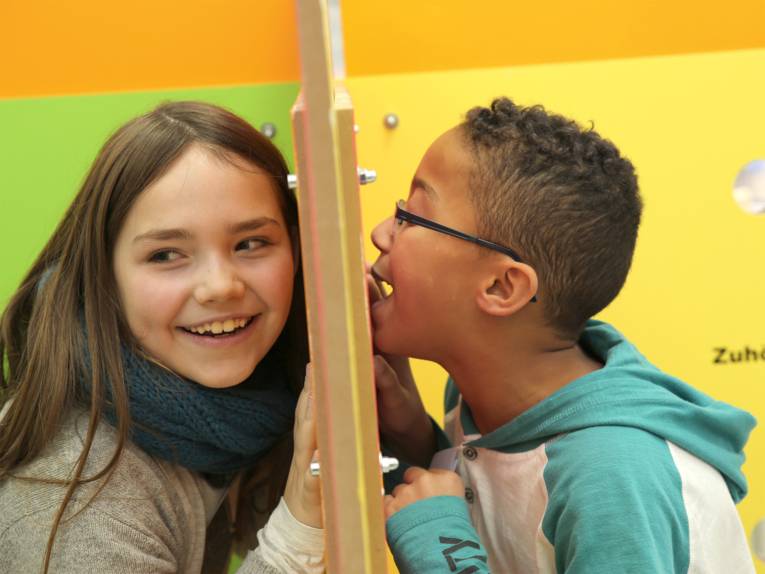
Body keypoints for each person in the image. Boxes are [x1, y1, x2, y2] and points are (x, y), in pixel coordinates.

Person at [369, 97, 757, 573]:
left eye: (412, 218)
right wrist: (414, 439)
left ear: (500, 286)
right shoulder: (487, 396)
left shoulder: (610, 476)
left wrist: (440, 549)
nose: (381, 231)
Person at [0, 101, 325, 573]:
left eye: (251, 243)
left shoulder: (241, 406)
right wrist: (299, 528)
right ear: (104, 278)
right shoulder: (83, 499)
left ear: (296, 250)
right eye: (166, 254)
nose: (220, 287)